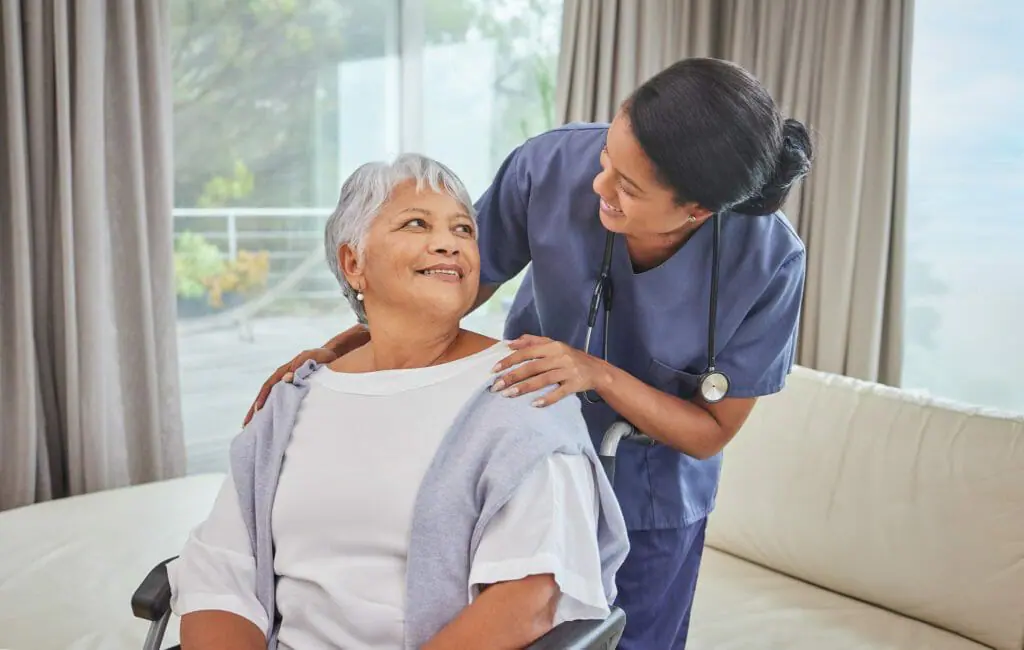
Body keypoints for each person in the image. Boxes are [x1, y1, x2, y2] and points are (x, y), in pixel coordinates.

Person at [246, 57, 813, 649]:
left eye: (628, 187)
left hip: (649, 494)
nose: (599, 186)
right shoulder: (549, 167)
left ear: (696, 210)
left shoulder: (770, 263)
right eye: (606, 160)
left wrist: (595, 372)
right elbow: (441, 288)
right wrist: (341, 349)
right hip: (516, 454)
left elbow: (709, 431)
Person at [168, 153, 630, 650]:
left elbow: (529, 597)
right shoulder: (292, 403)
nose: (448, 244)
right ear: (353, 264)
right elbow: (220, 575)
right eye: (416, 223)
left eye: (463, 230)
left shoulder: (522, 388)